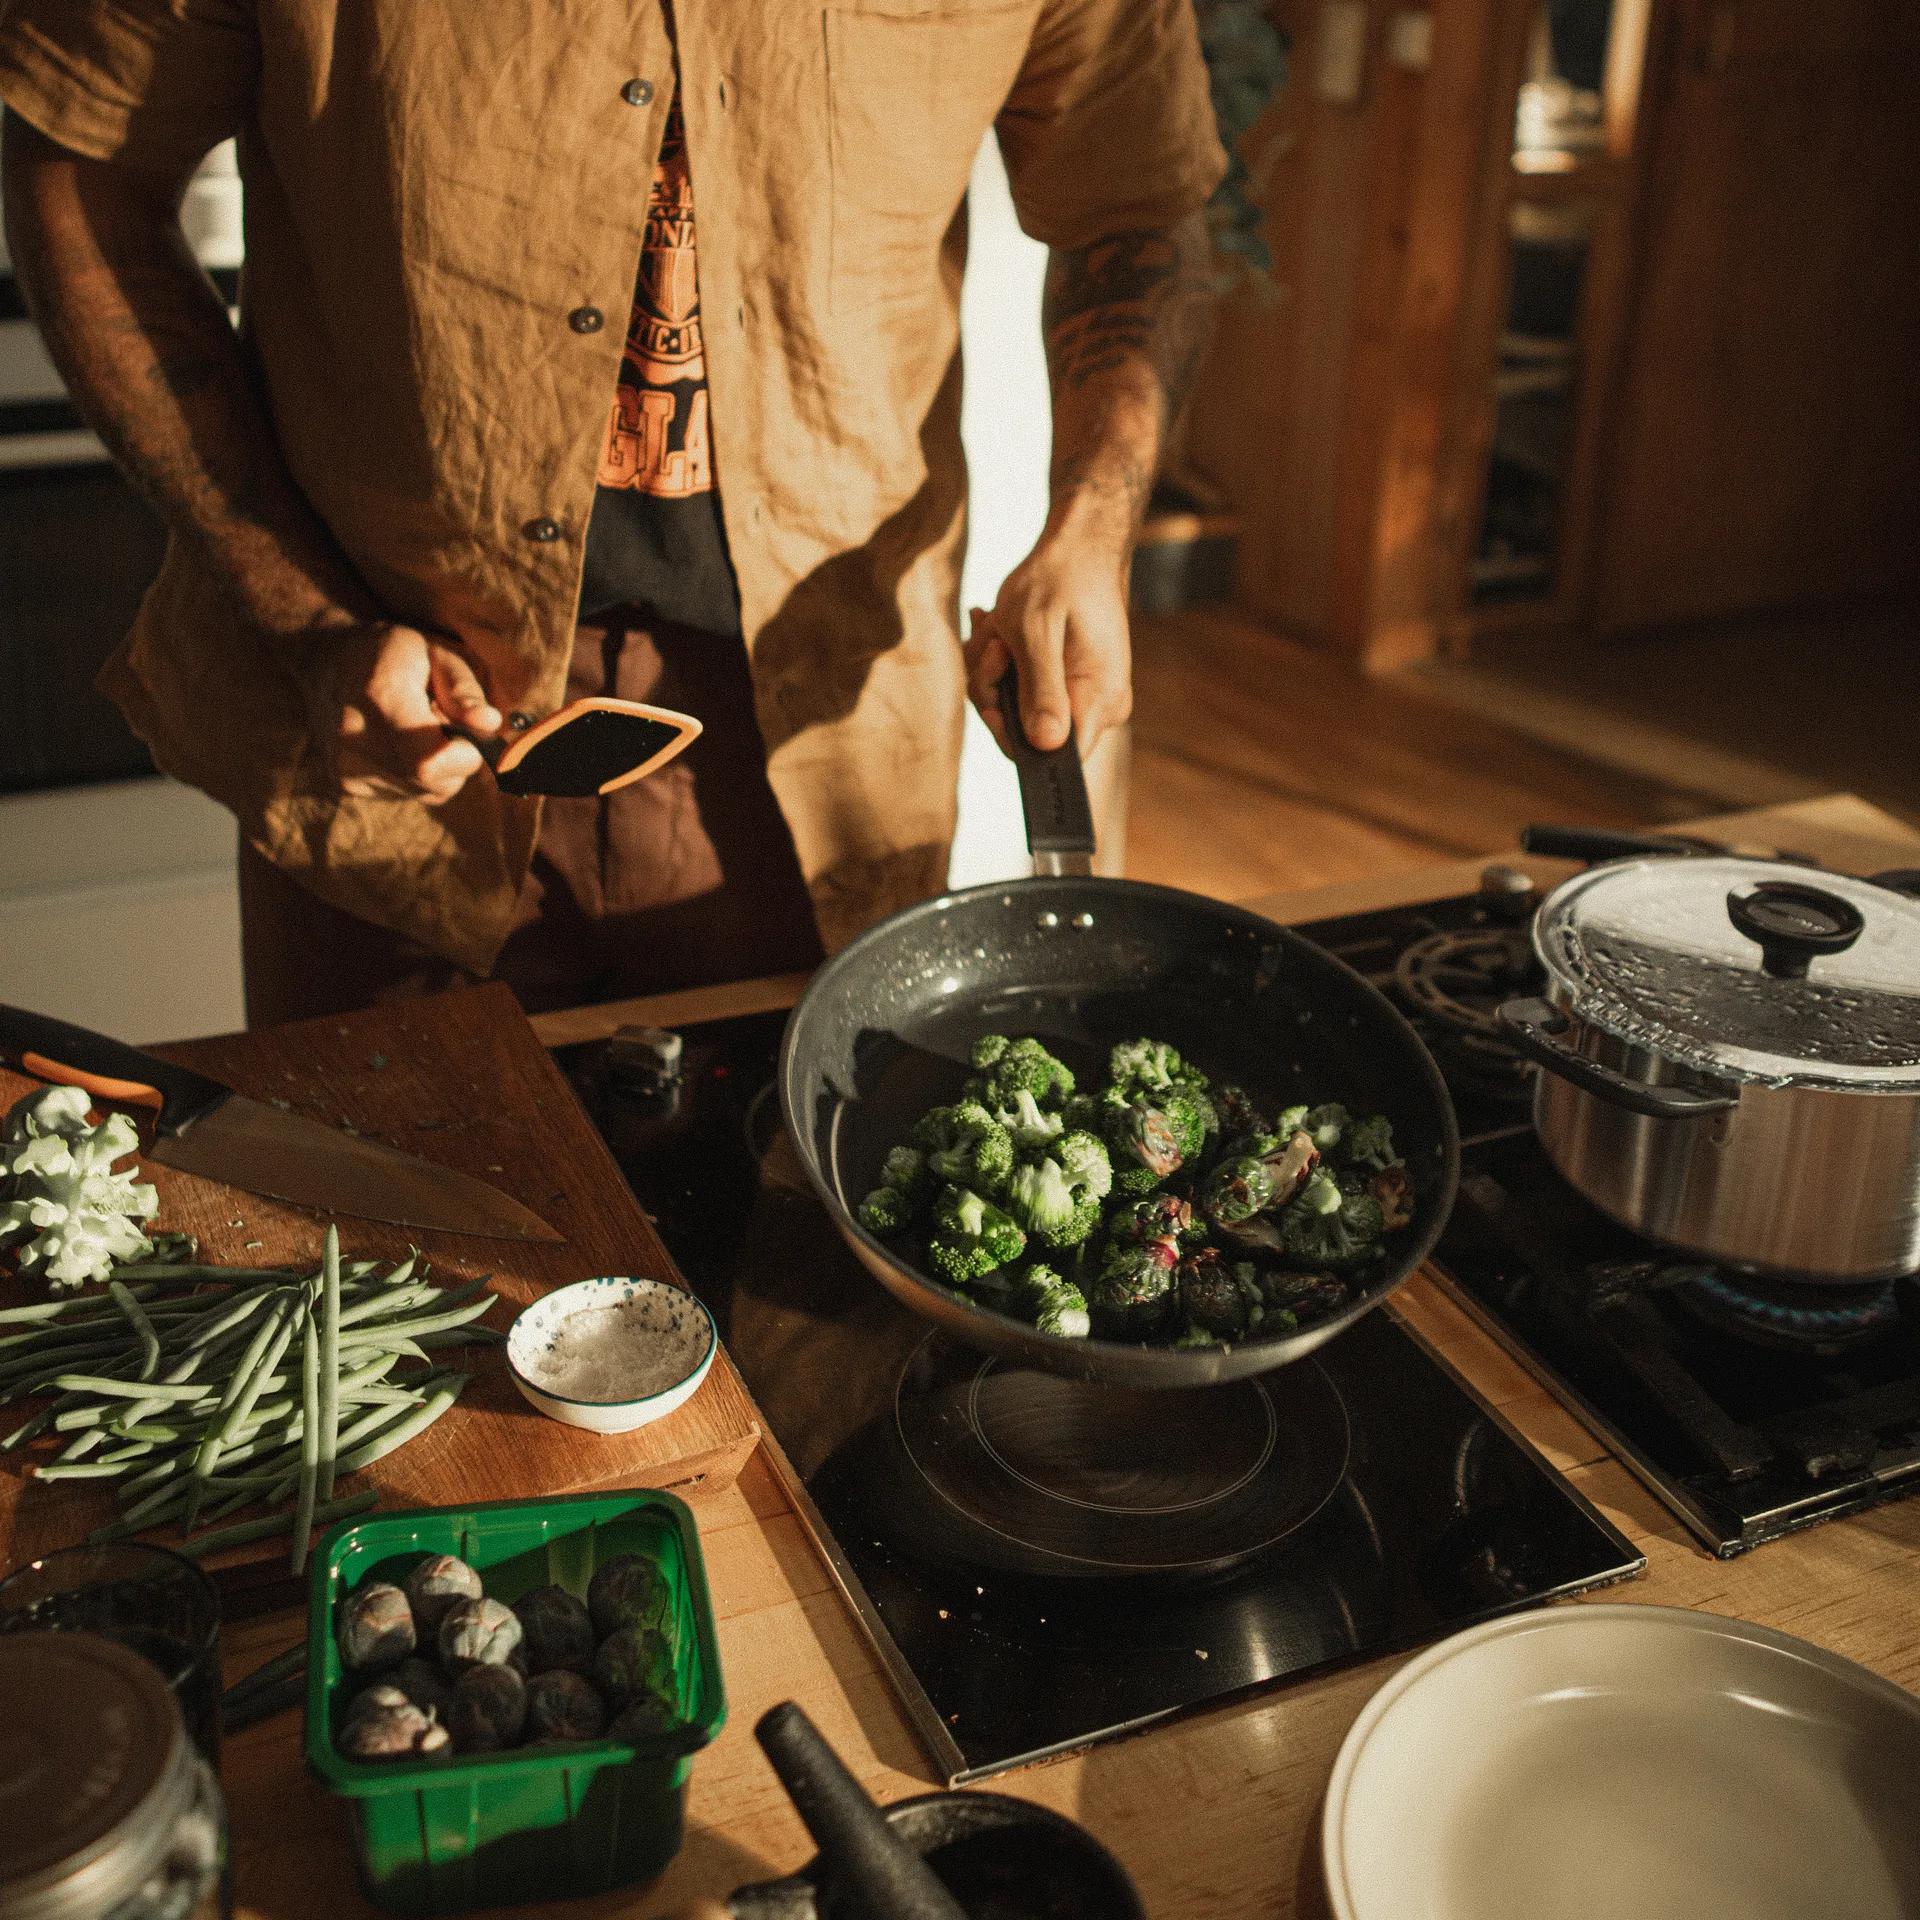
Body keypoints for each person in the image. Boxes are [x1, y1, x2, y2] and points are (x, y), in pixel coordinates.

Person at [0, 2, 1225, 1023]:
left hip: (819, 724)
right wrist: (299, 612)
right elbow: (84, 165)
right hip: (383, 713)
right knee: (376, 1219)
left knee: (776, 1215)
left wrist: (1093, 526)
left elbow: (1137, 198)